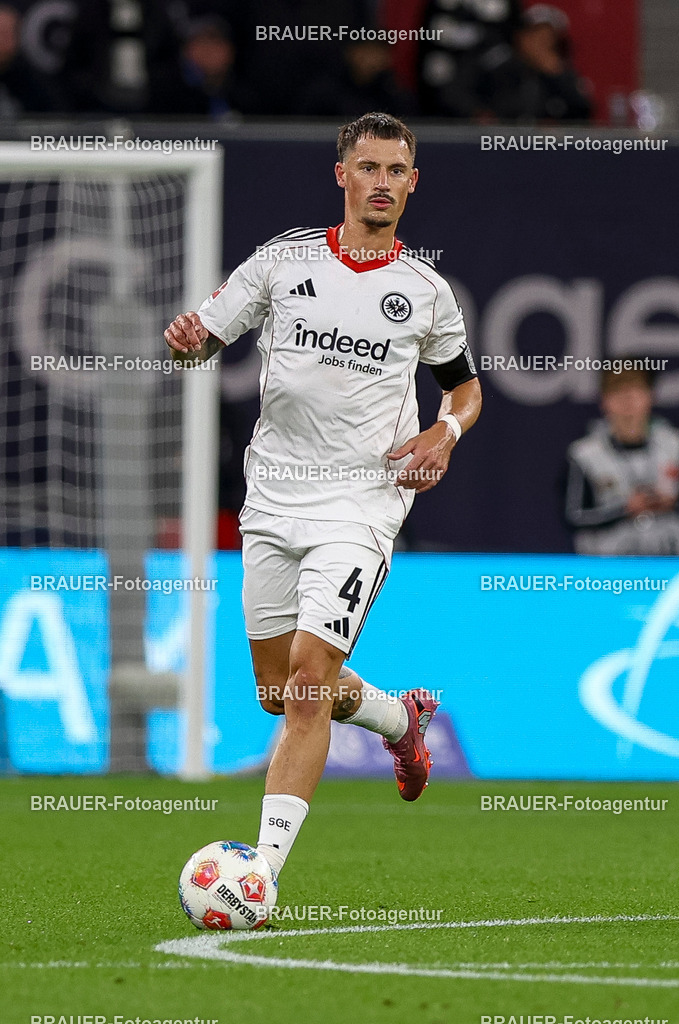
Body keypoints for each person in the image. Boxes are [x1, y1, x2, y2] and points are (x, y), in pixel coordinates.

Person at [164, 112, 482, 884]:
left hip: (362, 504)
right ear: (342, 175)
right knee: (280, 689)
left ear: (412, 182)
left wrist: (444, 433)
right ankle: (398, 718)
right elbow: (210, 333)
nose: (382, 182)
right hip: (273, 497)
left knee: (307, 680)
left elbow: (465, 389)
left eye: (396, 171)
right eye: (368, 168)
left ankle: (260, 873)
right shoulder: (284, 262)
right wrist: (190, 341)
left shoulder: (425, 291)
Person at [565, 362, 679, 555]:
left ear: (650, 396)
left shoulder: (676, 445)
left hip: (673, 566)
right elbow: (574, 516)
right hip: (609, 569)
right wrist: (624, 509)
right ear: (604, 401)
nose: (628, 400)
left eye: (636, 391)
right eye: (618, 391)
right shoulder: (584, 454)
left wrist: (672, 503)